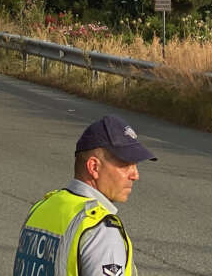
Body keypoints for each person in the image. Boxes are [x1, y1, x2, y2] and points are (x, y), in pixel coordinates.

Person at [13, 114, 156, 276]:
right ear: (94, 167)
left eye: (135, 165)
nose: (135, 175)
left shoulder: (42, 208)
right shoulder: (100, 230)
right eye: (125, 165)